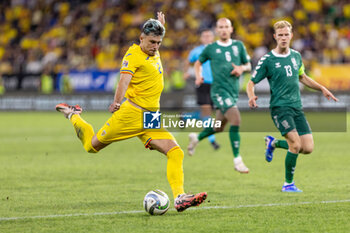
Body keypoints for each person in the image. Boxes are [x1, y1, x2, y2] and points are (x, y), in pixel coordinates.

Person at [55, 12, 207, 212]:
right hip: (131, 114)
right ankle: (73, 114)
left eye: (159, 43)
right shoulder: (133, 55)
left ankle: (179, 197)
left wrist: (161, 25)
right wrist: (116, 103)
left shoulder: (153, 48)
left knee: (175, 152)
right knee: (91, 147)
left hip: (151, 118)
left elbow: (157, 35)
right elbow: (123, 81)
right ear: (141, 37)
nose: (156, 46)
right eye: (152, 42)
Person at [246, 20, 338, 192]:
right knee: (295, 145)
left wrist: (322, 88)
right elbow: (251, 82)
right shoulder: (267, 59)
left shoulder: (296, 56)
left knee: (307, 148)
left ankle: (272, 143)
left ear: (291, 35)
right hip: (280, 108)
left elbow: (302, 77)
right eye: (280, 35)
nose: (283, 38)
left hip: (297, 107)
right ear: (275, 37)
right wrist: (251, 96)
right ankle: (288, 183)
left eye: (286, 34)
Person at [188, 18, 252, 173]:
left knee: (218, 127)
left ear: (231, 29)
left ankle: (196, 138)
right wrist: (198, 76)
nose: (223, 29)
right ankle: (238, 160)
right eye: (221, 27)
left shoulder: (239, 46)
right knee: (235, 119)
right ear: (217, 30)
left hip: (232, 91)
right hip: (218, 91)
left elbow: (248, 65)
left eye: (226, 27)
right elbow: (198, 63)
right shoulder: (211, 48)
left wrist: (241, 69)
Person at [184, 29, 220, 151]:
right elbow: (188, 62)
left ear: (213, 37)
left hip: (215, 84)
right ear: (201, 38)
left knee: (207, 113)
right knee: (207, 112)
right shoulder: (196, 51)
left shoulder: (217, 49)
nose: (206, 38)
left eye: (209, 35)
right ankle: (212, 141)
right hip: (202, 83)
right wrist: (186, 72)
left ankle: (186, 117)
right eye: (204, 36)